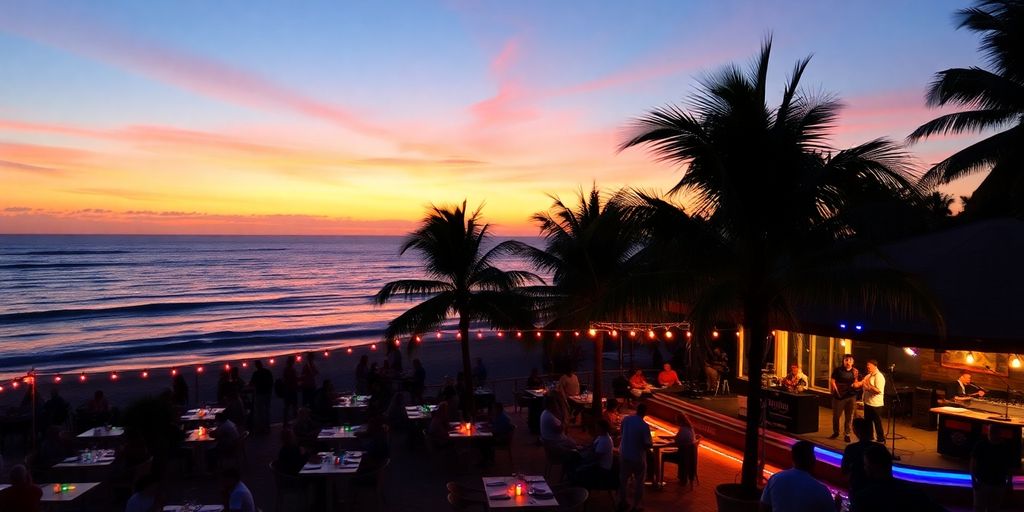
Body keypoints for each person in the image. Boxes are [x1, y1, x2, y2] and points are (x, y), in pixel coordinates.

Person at [852, 443, 945, 512]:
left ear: (871, 468)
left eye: (865, 465)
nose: (864, 468)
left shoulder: (863, 498)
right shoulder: (914, 492)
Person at [760, 440, 834, 512]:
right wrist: (837, 505)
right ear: (812, 460)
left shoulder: (775, 479)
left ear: (793, 459)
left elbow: (764, 507)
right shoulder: (820, 490)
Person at [618, 403, 652, 512]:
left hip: (624, 454)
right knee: (639, 482)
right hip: (638, 457)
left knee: (623, 480)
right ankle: (635, 506)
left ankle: (623, 502)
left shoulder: (626, 420)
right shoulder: (644, 426)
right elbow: (647, 444)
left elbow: (621, 432)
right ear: (645, 412)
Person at [971, 427, 1014, 511]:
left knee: (986, 507)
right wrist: (1009, 482)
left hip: (992, 483)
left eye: (993, 431)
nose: (991, 434)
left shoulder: (981, 445)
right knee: (984, 507)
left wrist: (973, 480)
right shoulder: (1005, 447)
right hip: (987, 482)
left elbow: (972, 463)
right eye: (991, 431)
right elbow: (973, 463)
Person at [570, 419, 615, 486]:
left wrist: (583, 460)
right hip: (597, 463)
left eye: (597, 428)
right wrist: (582, 447)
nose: (595, 429)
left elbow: (595, 457)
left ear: (602, 429)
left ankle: (578, 485)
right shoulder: (601, 436)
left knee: (577, 468)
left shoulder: (605, 441)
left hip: (602, 468)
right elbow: (592, 446)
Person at [829, 354, 863, 442]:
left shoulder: (855, 371)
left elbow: (856, 382)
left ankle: (847, 434)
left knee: (849, 416)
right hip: (839, 397)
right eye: (846, 360)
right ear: (843, 361)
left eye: (850, 360)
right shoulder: (838, 370)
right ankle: (836, 432)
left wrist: (858, 384)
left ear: (853, 362)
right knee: (836, 416)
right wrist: (836, 391)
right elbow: (832, 381)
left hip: (851, 396)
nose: (848, 362)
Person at [662, 412, 700, 486]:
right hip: (688, 455)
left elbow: (676, 442)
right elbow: (678, 438)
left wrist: (664, 443)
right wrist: (666, 437)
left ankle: (658, 478)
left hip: (682, 455)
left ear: (680, 421)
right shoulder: (689, 428)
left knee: (662, 456)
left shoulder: (683, 430)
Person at [841, 417, 875, 494]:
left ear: (856, 431)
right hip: (876, 490)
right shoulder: (880, 448)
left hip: (857, 487)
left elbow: (844, 471)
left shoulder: (851, 449)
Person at [860, 359, 886, 442]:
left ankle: (880, 438)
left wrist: (869, 386)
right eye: (867, 365)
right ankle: (869, 437)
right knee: (868, 422)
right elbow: (862, 383)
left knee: (877, 422)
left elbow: (878, 391)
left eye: (869, 365)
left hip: (876, 404)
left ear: (875, 366)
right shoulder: (868, 375)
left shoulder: (879, 376)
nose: (867, 367)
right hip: (868, 403)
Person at [249, 359, 273, 435]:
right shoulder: (267, 372)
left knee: (259, 412)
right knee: (266, 411)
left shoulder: (256, 373)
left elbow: (251, 383)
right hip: (267, 394)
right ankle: (267, 427)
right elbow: (272, 382)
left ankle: (261, 428)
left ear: (256, 365)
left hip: (259, 394)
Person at [282, 355, 299, 424]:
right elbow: (292, 379)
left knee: (287, 407)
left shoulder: (286, 369)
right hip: (291, 390)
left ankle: (286, 422)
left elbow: (285, 379)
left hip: (288, 390)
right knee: (293, 406)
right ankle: (295, 421)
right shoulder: (291, 369)